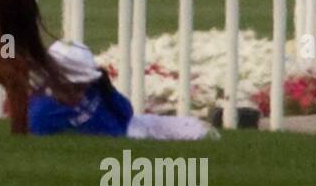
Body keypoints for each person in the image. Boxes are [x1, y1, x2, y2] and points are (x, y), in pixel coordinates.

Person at [29, 41, 218, 140]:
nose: (82, 89)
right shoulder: (41, 113)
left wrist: (108, 90)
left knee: (201, 132)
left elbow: (127, 113)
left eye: (84, 83)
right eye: (76, 85)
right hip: (117, 149)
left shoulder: (95, 86)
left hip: (132, 127)